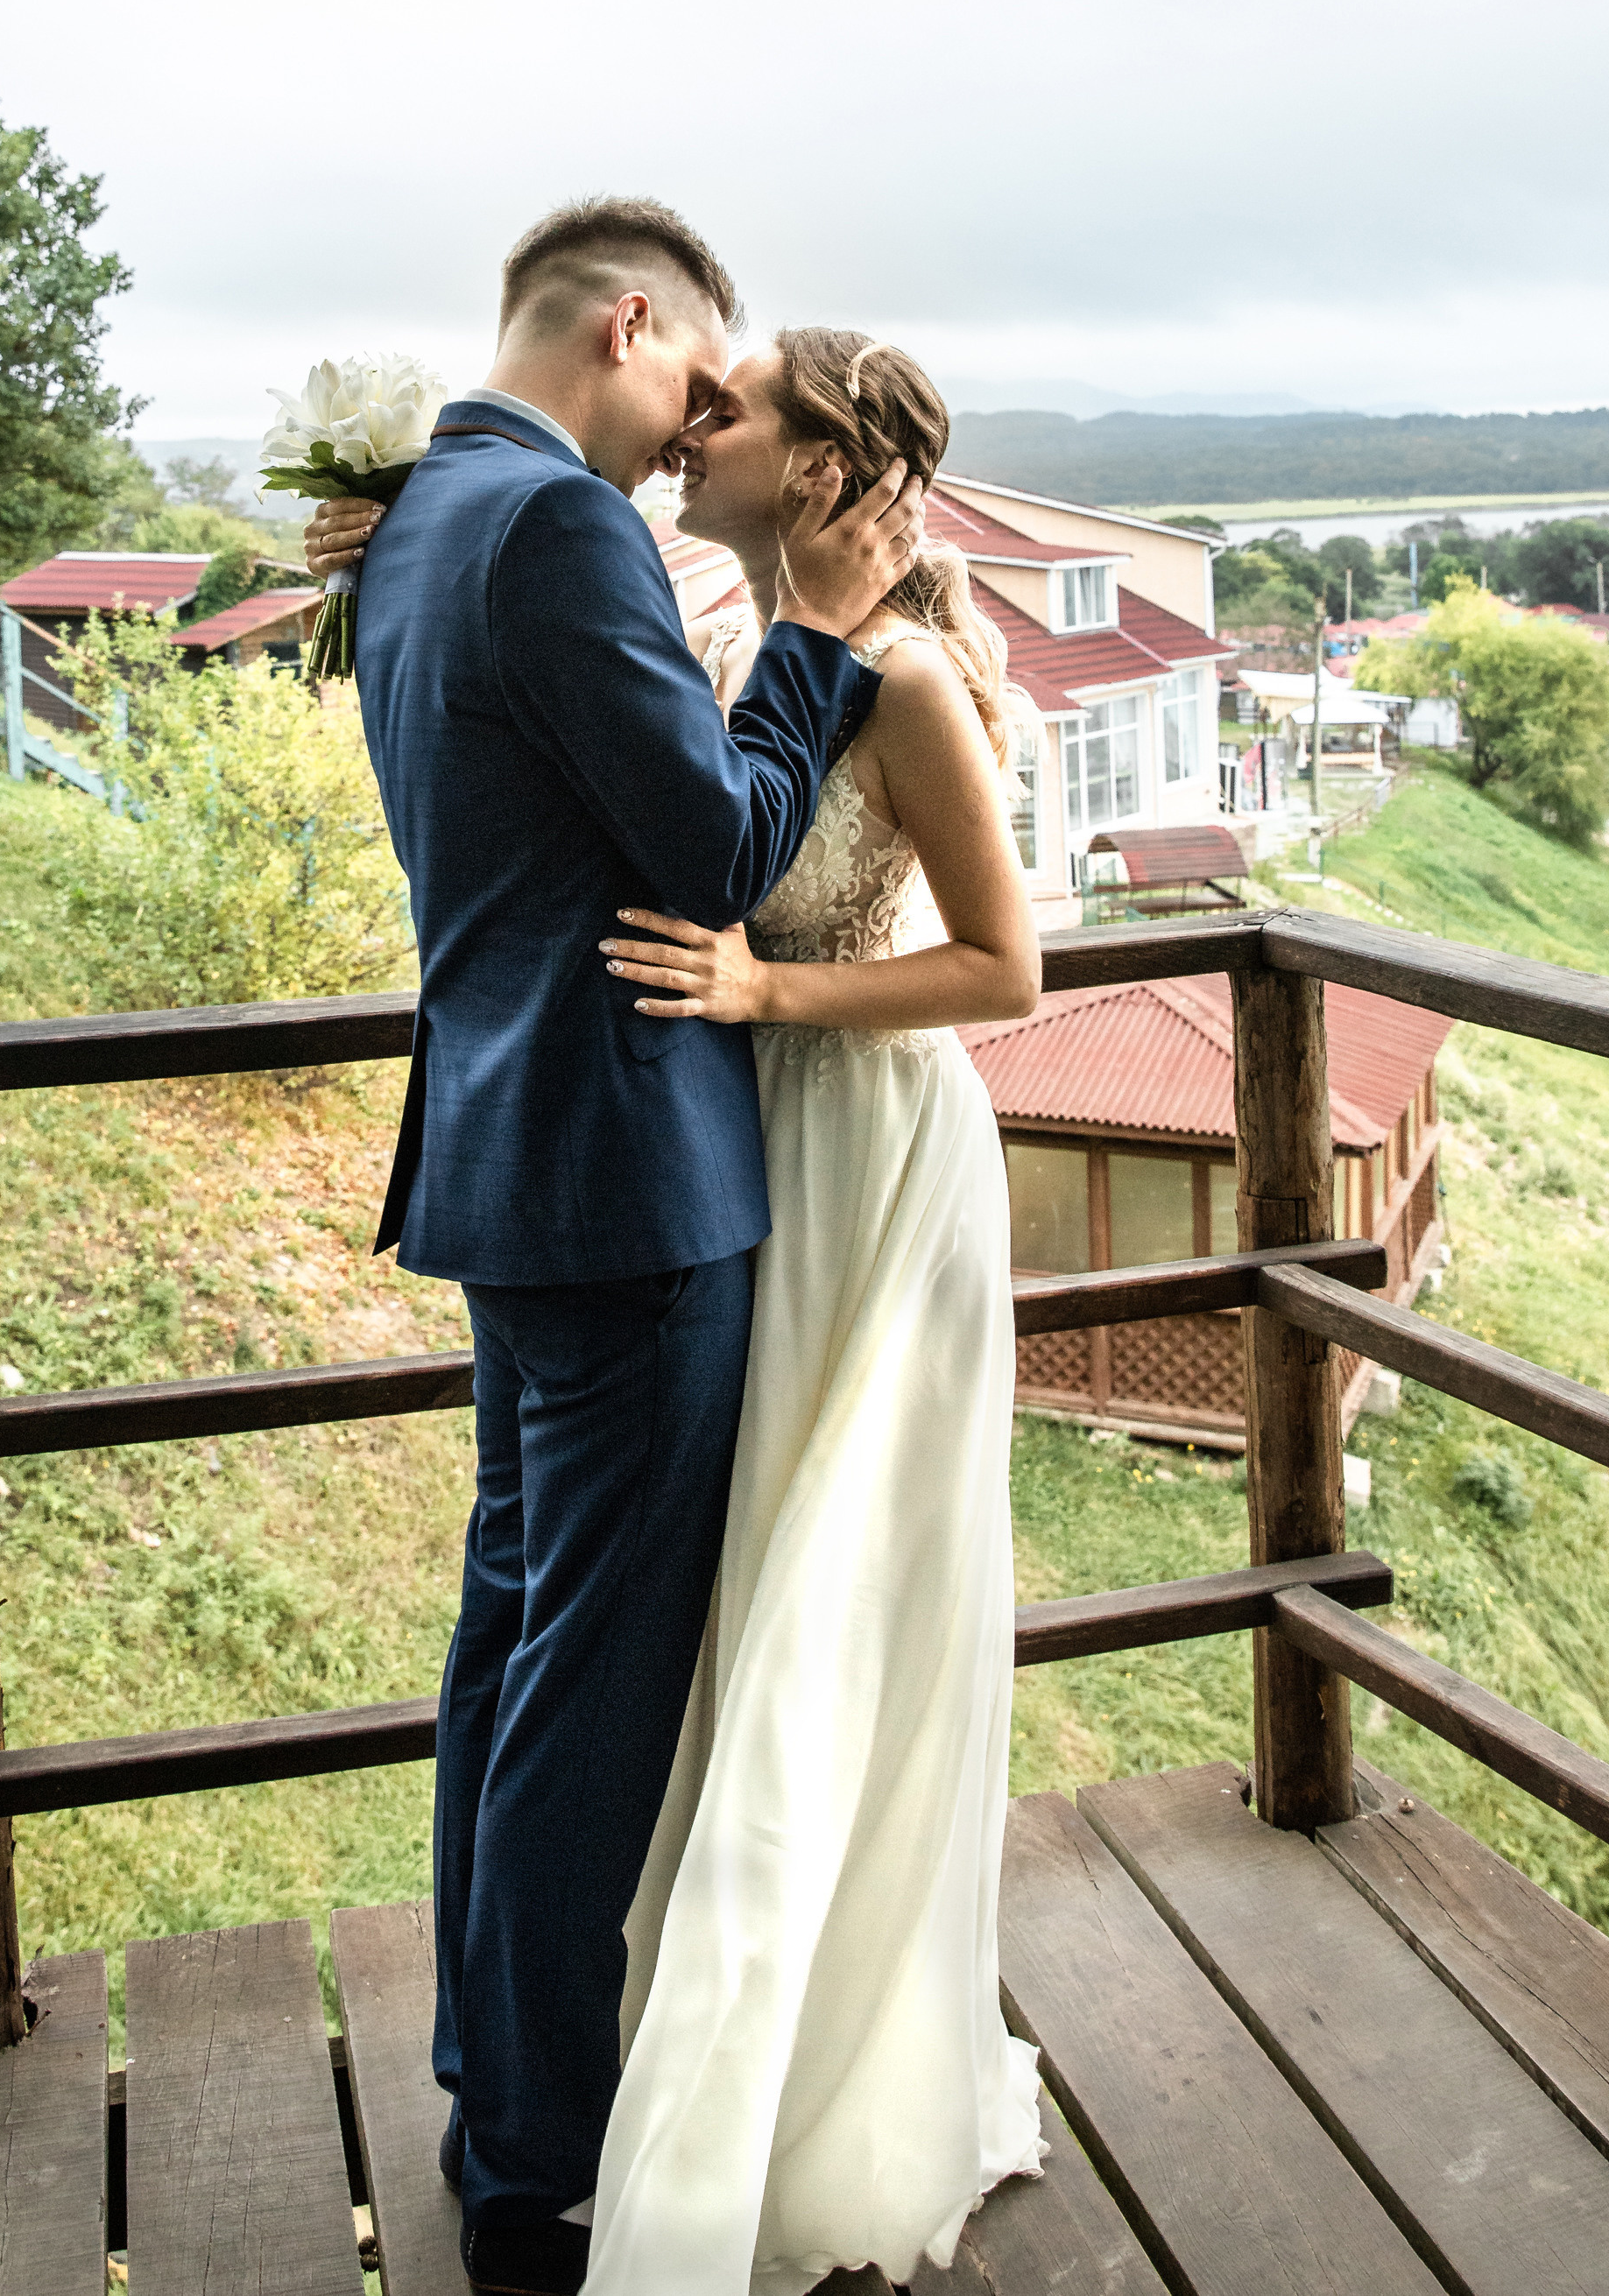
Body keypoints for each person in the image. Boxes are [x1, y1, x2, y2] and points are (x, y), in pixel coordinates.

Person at [313, 311, 1049, 2294]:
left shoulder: (900, 678)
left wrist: (767, 987)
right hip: (717, 1161)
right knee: (691, 1622)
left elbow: (1006, 971)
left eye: (733, 411)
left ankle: (759, 2068)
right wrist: (394, 539)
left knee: (817, 1608)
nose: (689, 428)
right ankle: (615, 2068)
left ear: (813, 467)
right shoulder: (726, 633)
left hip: (856, 1156)